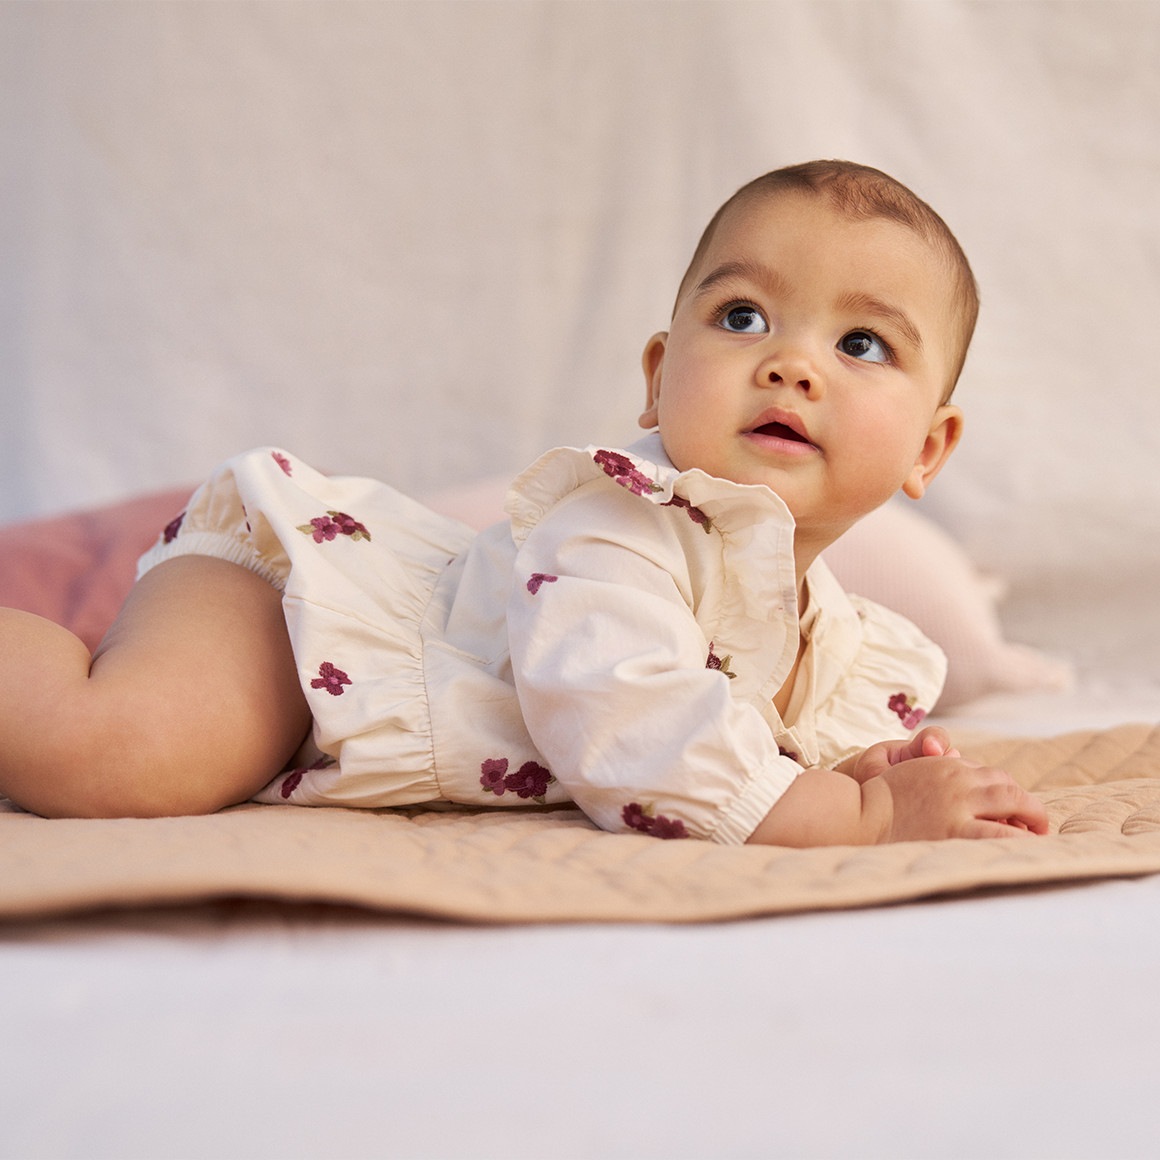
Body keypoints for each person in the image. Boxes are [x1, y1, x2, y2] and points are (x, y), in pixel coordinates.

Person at [0, 160, 1048, 845]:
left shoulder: (833, 634)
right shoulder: (610, 526)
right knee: (119, 749)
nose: (788, 364)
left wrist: (864, 765)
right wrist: (861, 815)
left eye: (859, 343)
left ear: (928, 446)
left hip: (323, 680)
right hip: (291, 620)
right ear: (653, 376)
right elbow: (631, 727)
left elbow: (757, 740)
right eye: (740, 314)